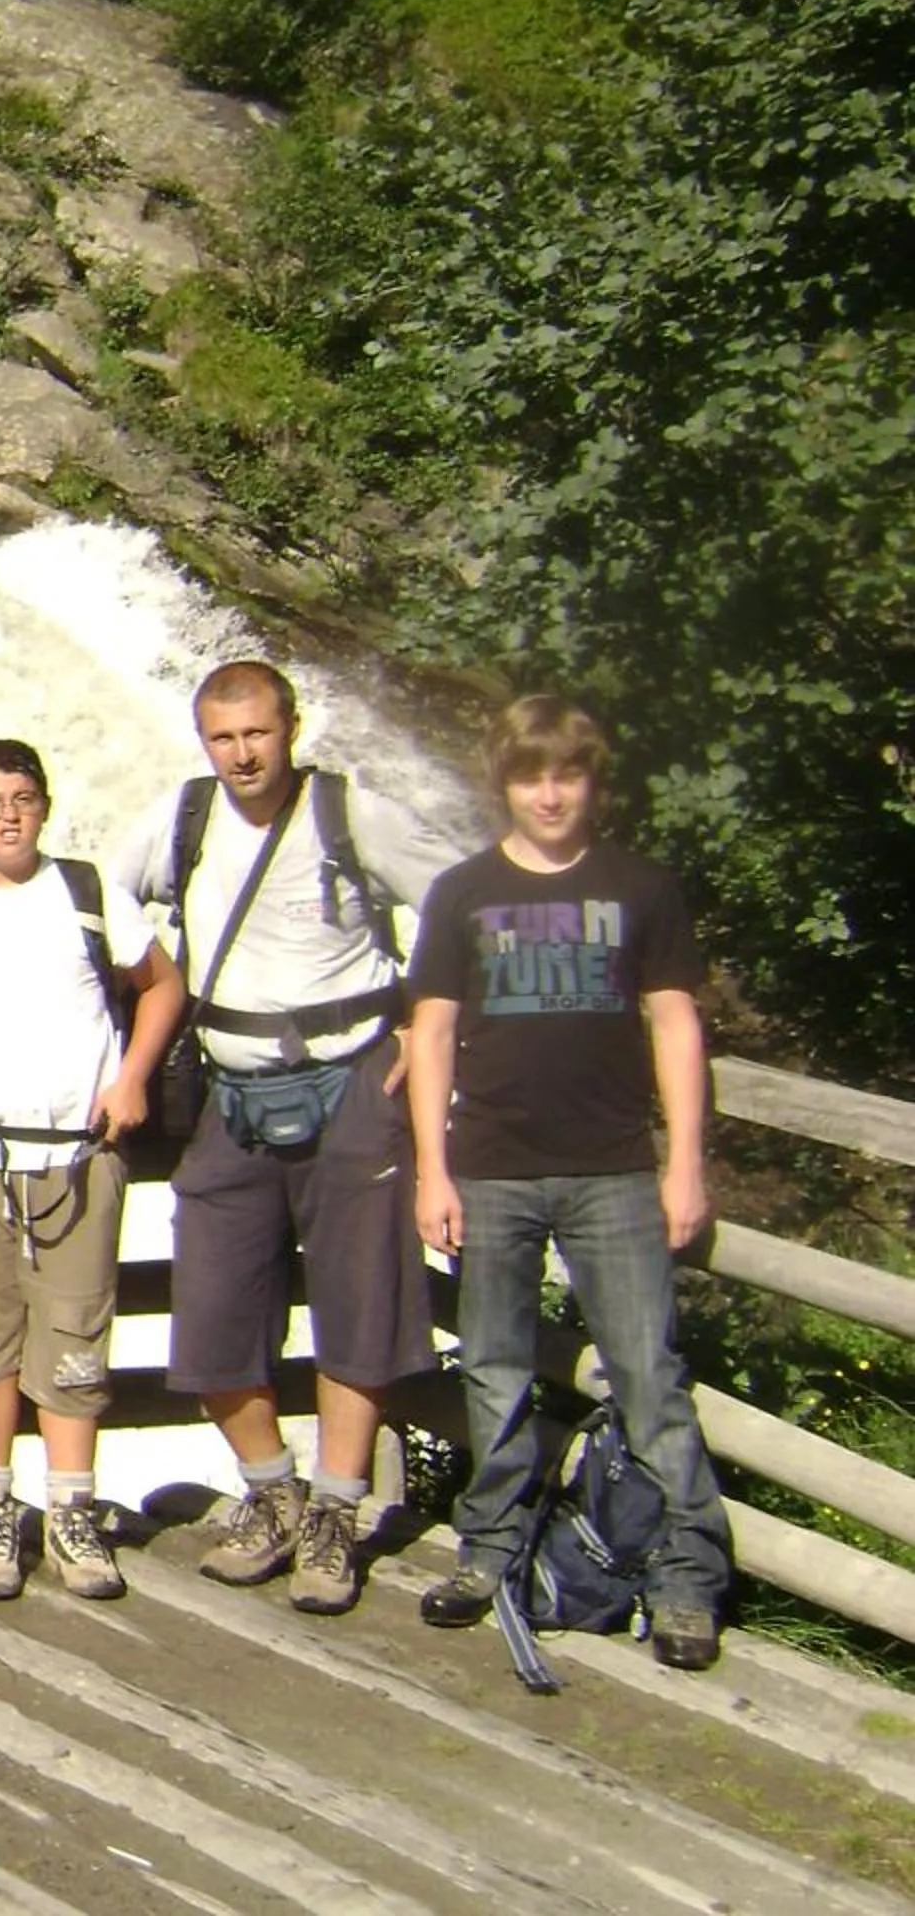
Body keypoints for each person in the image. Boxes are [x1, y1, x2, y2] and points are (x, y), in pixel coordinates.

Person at [109, 659, 462, 1615]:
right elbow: (99, 899)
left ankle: (336, 1517)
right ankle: (273, 1493)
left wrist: (423, 1026)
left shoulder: (352, 815)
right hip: (233, 1090)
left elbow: (463, 901)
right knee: (213, 1313)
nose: (242, 755)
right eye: (223, 738)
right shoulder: (181, 820)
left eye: (256, 733)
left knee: (362, 1303)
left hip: (352, 1080)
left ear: (291, 727)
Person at [405, 696, 728, 1670]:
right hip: (492, 1167)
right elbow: (431, 1034)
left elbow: (676, 1026)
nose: (550, 795)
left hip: (615, 1169)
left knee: (649, 1377)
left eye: (568, 775)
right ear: (503, 783)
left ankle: (687, 1581)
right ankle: (491, 1553)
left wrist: (686, 1163)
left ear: (593, 781)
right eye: (531, 776)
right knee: (495, 1372)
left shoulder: (643, 888)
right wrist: (432, 1168)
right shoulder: (460, 893)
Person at [0, 739, 184, 1604]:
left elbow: (161, 986)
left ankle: (72, 1515)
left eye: (23, 798)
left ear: (45, 806)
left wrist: (135, 1075)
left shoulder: (90, 892)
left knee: (76, 1343)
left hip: (79, 1157)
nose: (8, 814)